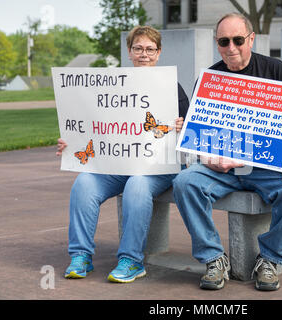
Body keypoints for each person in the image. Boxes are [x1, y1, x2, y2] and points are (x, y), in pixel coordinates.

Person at [172, 13, 282, 291]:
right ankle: (213, 258)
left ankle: (271, 259)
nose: (231, 48)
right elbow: (195, 135)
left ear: (251, 39)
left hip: (264, 167)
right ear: (217, 43)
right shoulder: (209, 79)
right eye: (224, 41)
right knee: (184, 182)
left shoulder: (276, 70)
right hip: (221, 169)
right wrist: (206, 158)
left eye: (238, 40)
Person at [56, 26, 189, 283]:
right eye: (138, 48)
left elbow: (192, 134)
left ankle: (131, 260)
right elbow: (93, 126)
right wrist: (71, 142)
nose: (144, 54)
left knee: (137, 185)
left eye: (150, 49)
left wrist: (183, 128)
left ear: (159, 53)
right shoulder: (114, 88)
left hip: (156, 168)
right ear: (129, 52)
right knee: (84, 182)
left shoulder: (172, 87)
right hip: (118, 163)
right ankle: (80, 255)